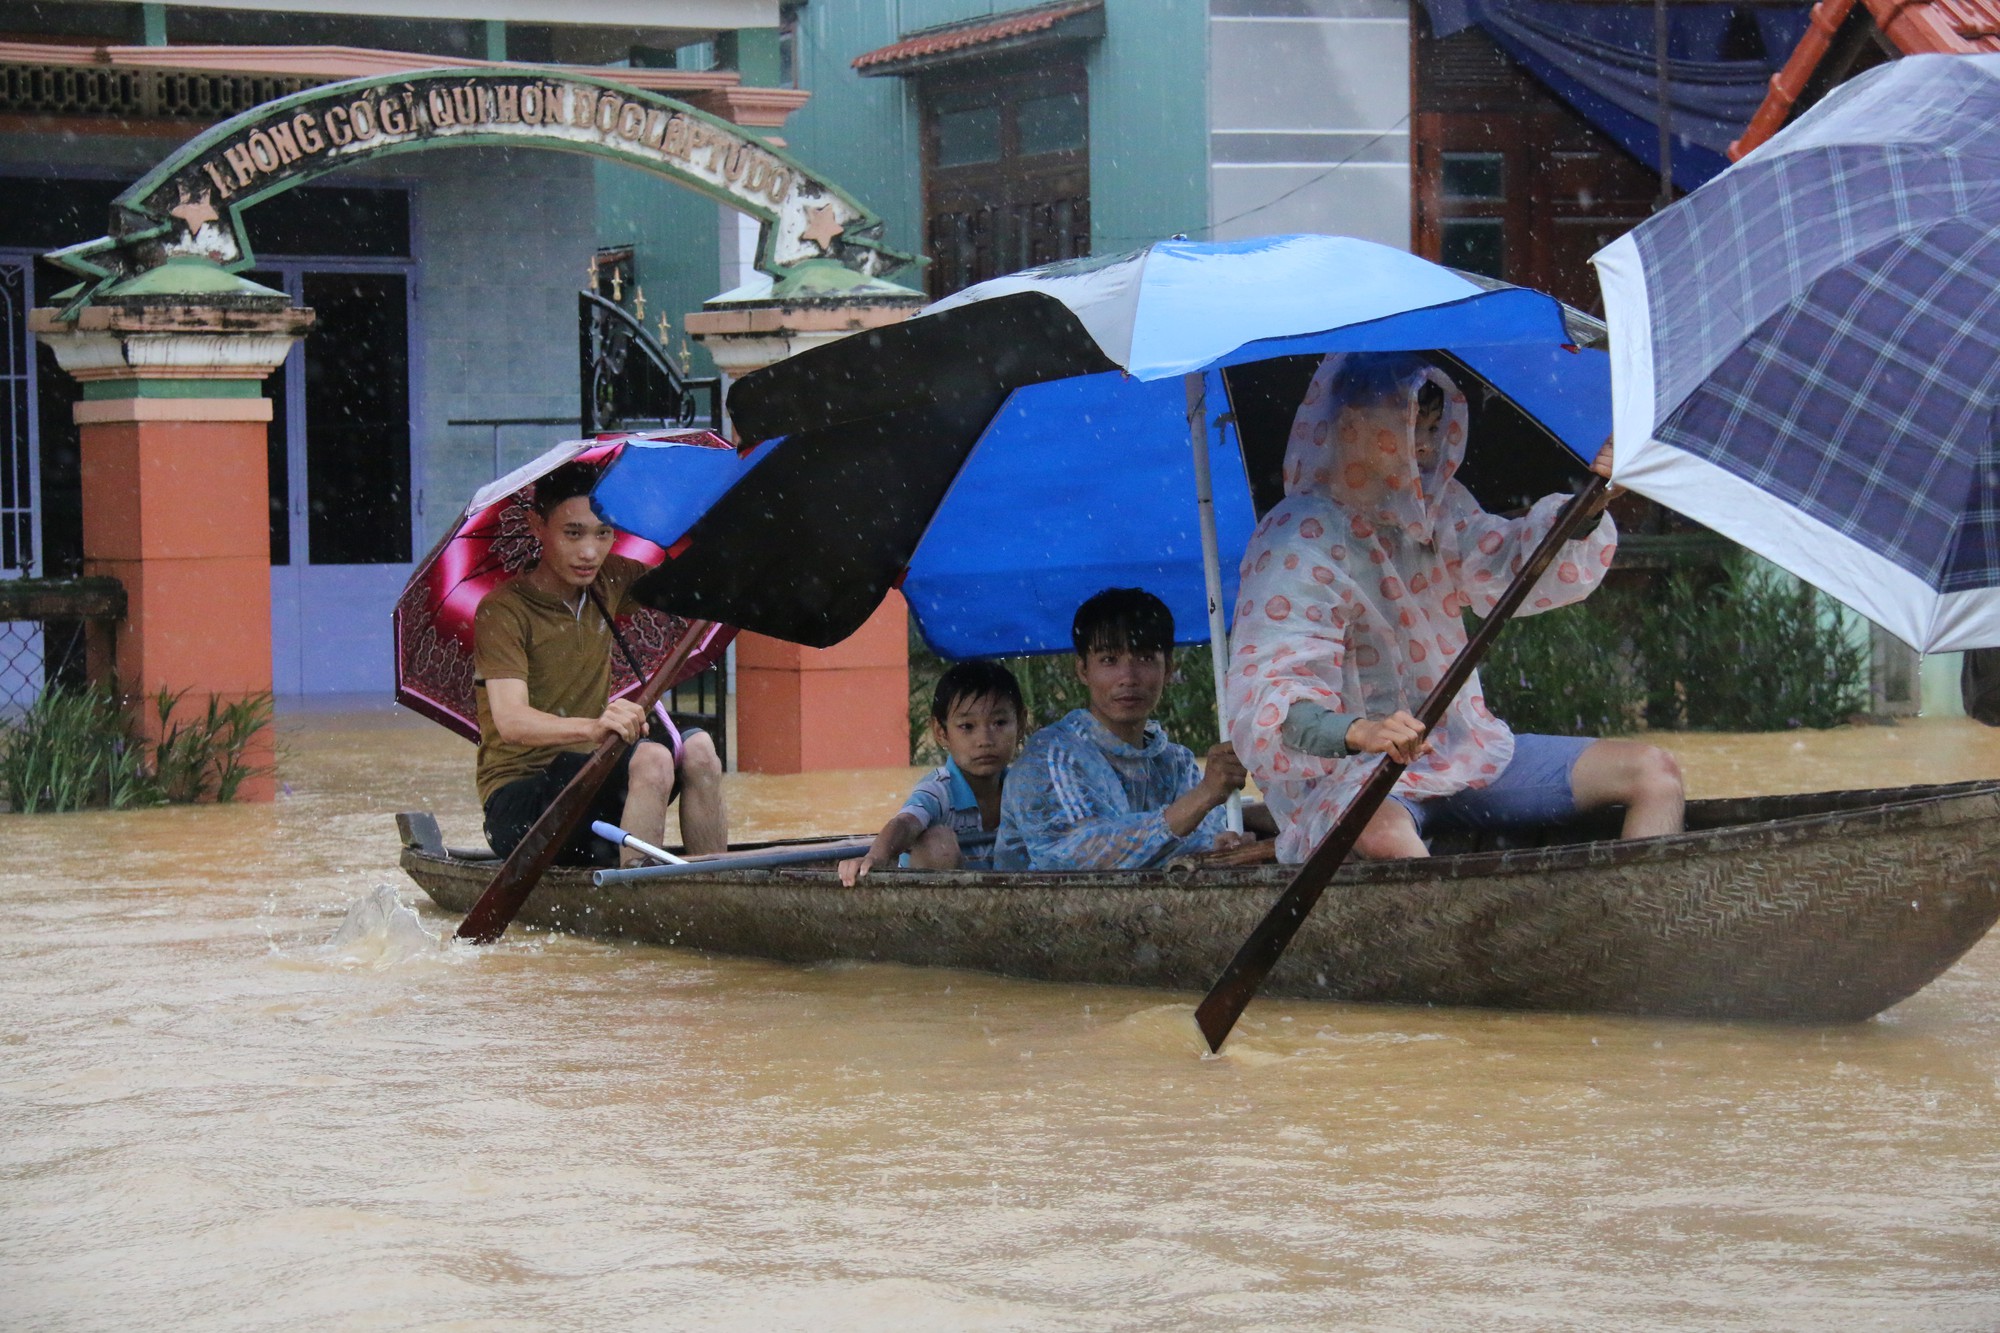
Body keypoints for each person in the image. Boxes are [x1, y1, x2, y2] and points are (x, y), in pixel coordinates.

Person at [1228, 352, 1684, 864]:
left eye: (1429, 427)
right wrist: (1363, 732)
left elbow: (1514, 566)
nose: (1423, 446)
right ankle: (1455, 937)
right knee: (1378, 833)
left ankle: (1642, 922)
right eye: (1406, 427)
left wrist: (1592, 502)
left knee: (1654, 771)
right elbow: (1271, 703)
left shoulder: (1439, 510)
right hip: (1354, 776)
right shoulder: (1298, 537)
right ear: (1352, 424)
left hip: (1463, 749)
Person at [474, 461, 727, 867]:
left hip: (594, 778)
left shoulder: (609, 581)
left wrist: (716, 533)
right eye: (572, 533)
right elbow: (512, 722)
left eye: (603, 533)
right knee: (652, 758)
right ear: (537, 526)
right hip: (521, 803)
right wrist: (593, 727)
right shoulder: (503, 611)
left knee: (697, 748)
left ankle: (718, 883)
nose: (589, 551)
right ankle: (637, 898)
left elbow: (690, 583)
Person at [993, 587, 1272, 871]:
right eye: (1109, 660)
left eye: (1145, 658)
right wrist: (1204, 795)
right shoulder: (1051, 758)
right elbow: (1077, 857)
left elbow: (1204, 839)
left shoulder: (1175, 764)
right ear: (1082, 670)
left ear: (1168, 669)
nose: (1128, 677)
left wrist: (1222, 847)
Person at [838, 660, 1023, 885]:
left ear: (1021, 725)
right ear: (941, 732)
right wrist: (876, 857)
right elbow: (906, 823)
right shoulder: (939, 790)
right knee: (938, 843)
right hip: (940, 910)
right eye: (967, 727)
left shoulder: (1025, 787)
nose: (984, 740)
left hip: (1004, 908)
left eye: (999, 722)